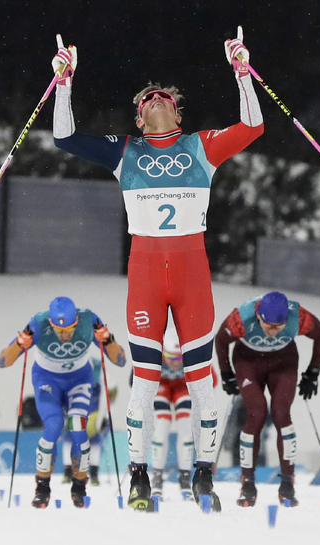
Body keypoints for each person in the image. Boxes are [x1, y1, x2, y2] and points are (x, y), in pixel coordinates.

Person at [50, 25, 264, 512]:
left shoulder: (202, 147)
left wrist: (242, 71)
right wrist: (64, 82)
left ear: (178, 113)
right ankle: (139, 476)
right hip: (146, 273)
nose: (156, 101)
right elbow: (64, 138)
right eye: (147, 100)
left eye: (164, 98)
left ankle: (203, 474)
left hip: (192, 274)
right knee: (144, 381)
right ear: (139, 118)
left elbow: (252, 127)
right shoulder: (124, 151)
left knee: (201, 381)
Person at [0, 296, 126, 509]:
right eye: (59, 330)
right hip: (47, 380)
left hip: (79, 379)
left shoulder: (89, 320)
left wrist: (108, 340)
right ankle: (42, 487)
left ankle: (79, 486)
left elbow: (120, 360)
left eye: (70, 329)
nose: (65, 335)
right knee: (54, 425)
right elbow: (3, 361)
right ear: (51, 324)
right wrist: (20, 343)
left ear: (77, 321)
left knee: (78, 425)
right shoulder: (39, 323)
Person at [215, 291, 320, 507]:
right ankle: (247, 484)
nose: (273, 331)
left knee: (281, 413)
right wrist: (226, 373)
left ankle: (287, 484)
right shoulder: (241, 317)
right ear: (259, 315)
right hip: (248, 361)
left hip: (283, 362)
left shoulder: (298, 316)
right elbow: (221, 340)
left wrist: (313, 372)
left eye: (279, 327)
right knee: (256, 413)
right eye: (268, 325)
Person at [150, 327, 218, 501]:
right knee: (161, 427)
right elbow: (134, 382)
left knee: (186, 429)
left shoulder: (192, 355)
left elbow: (212, 381)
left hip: (183, 386)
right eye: (171, 358)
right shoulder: (154, 354)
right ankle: (156, 477)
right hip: (162, 386)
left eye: (179, 358)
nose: (175, 363)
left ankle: (185, 478)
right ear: (163, 353)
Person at [63, 343, 122, 486]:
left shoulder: (103, 376)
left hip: (95, 415)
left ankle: (94, 474)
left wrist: (106, 418)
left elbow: (110, 399)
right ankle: (68, 473)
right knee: (69, 438)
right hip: (77, 413)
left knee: (94, 441)